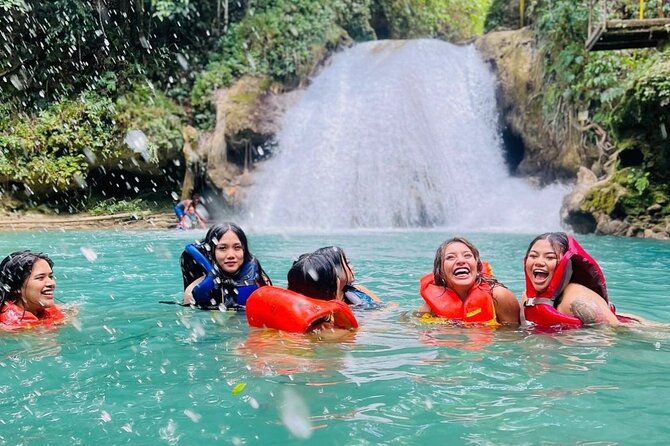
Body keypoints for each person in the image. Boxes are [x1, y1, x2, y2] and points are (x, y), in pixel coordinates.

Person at [522, 232, 638, 327]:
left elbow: (615, 336)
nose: (539, 262)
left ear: (565, 264)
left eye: (550, 257)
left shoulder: (579, 300)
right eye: (533, 256)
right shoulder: (527, 298)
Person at [417, 237, 520, 325]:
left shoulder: (499, 297)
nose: (461, 261)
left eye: (467, 255)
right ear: (441, 271)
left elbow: (514, 336)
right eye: (450, 257)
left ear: (477, 266)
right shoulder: (430, 309)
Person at [182, 223, 271, 310]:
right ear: (211, 252)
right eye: (222, 248)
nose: (231, 255)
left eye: (237, 247)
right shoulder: (192, 291)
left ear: (244, 250)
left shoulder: (260, 282)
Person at [0, 250, 65, 329]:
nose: (51, 283)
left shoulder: (42, 310)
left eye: (50, 277)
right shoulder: (11, 326)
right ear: (16, 287)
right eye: (40, 278)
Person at [314, 246, 380, 307]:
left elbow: (382, 309)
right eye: (347, 263)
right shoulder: (322, 301)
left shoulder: (360, 289)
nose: (352, 267)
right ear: (334, 270)